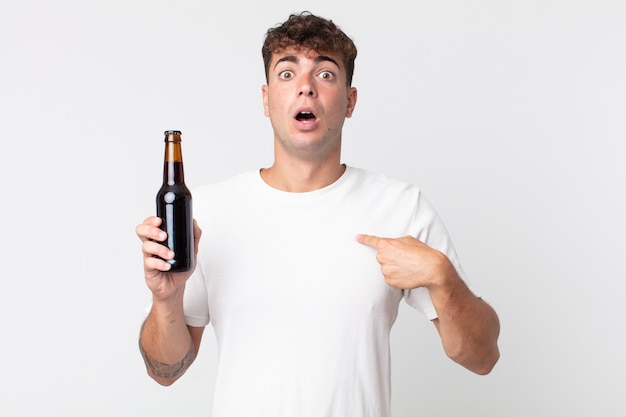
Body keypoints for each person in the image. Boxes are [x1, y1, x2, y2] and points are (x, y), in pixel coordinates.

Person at [136, 11, 500, 417]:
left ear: (350, 101)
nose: (305, 88)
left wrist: (444, 278)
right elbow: (165, 370)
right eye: (287, 73)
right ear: (265, 98)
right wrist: (165, 300)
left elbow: (482, 357)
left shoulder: (400, 208)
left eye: (325, 74)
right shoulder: (208, 213)